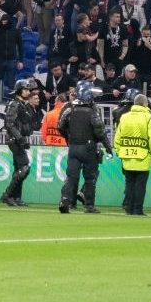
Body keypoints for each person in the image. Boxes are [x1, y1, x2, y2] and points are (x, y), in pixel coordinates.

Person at [57, 81, 109, 214]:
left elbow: (60, 127)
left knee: (71, 177)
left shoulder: (69, 110)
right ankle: (89, 206)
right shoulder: (92, 112)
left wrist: (69, 137)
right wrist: (107, 146)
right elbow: (100, 131)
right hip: (88, 148)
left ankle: (65, 200)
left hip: (73, 147)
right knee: (90, 178)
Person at [114, 94, 151, 216]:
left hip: (127, 156)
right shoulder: (148, 118)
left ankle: (128, 208)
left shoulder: (124, 117)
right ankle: (137, 209)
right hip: (143, 157)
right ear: (146, 104)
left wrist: (120, 152)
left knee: (129, 183)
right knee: (140, 185)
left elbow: (117, 138)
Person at [1, 78, 38, 206]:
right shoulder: (15, 104)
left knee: (19, 169)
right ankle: (7, 195)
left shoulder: (22, 105)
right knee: (24, 167)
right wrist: (21, 139)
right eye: (26, 90)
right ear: (19, 91)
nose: (29, 92)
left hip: (17, 140)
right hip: (15, 141)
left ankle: (16, 197)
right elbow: (9, 124)